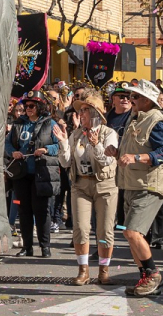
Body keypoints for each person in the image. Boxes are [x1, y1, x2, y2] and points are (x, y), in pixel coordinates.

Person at [113, 79, 163, 298]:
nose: (131, 100)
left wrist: (136, 157)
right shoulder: (136, 117)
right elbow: (132, 149)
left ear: (148, 100)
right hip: (131, 183)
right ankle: (146, 277)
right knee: (131, 235)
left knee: (132, 232)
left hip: (149, 185)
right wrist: (116, 153)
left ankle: (153, 274)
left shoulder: (157, 121)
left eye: (135, 97)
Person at [53, 91, 118, 285]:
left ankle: (104, 271)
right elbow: (65, 163)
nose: (80, 115)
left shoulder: (109, 134)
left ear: (96, 113)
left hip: (105, 185)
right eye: (80, 111)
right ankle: (83, 271)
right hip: (80, 184)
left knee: (105, 230)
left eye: (85, 111)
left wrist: (97, 145)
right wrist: (64, 142)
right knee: (80, 229)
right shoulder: (76, 134)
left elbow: (107, 161)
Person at [4, 90, 60, 258]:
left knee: (42, 211)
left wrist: (46, 149)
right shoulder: (18, 123)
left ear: (40, 106)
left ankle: (45, 247)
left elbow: (59, 145)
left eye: (31, 106)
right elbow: (7, 144)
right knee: (24, 210)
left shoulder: (51, 124)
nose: (27, 109)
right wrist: (13, 152)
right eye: (25, 105)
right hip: (22, 174)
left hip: (41, 173)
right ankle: (27, 247)